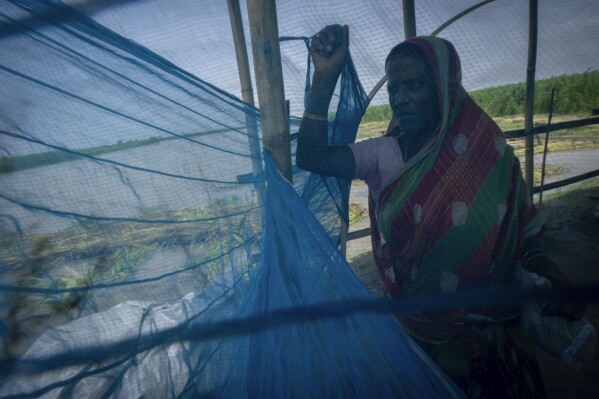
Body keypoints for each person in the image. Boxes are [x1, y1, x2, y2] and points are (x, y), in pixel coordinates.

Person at [297, 25, 585, 399]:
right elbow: (311, 157)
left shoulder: (489, 152)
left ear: (445, 88)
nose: (400, 98)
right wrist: (323, 81)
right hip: (418, 329)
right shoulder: (383, 154)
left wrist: (553, 276)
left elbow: (525, 232)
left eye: (413, 85)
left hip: (492, 330)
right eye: (393, 88)